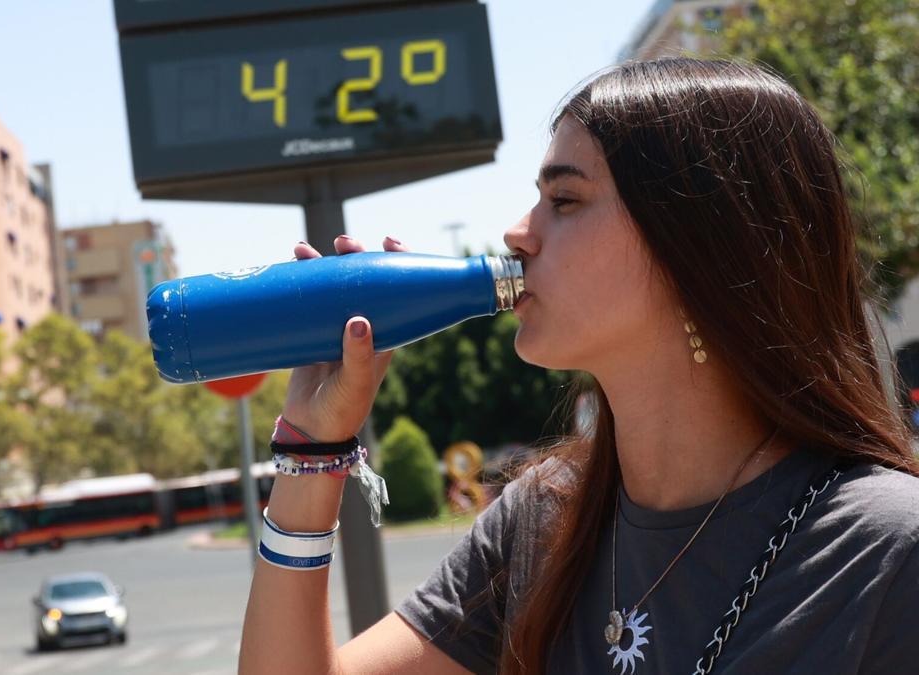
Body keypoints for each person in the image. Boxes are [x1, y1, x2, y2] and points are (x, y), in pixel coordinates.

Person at [239, 58, 919, 674]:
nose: (516, 232)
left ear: (700, 250)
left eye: (564, 200)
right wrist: (311, 447)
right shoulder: (540, 520)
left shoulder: (888, 552)